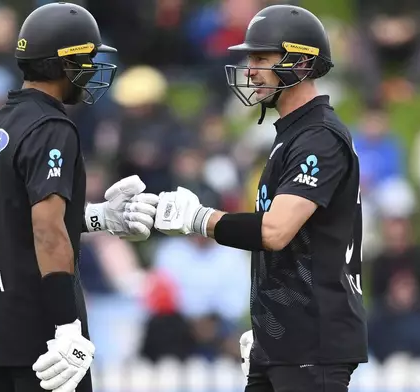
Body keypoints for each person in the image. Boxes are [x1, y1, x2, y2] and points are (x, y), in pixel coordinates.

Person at [154, 5, 367, 392]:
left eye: (262, 58)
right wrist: (269, 328)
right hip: (284, 340)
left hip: (313, 340)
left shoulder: (318, 137)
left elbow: (275, 231)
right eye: (250, 57)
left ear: (300, 64)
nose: (250, 69)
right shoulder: (292, 134)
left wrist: (199, 219)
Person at [0, 3, 159, 392]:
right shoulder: (52, 126)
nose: (90, 70)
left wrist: (98, 217)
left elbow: (14, 216)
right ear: (60, 64)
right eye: (85, 60)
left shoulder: (1, 124)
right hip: (40, 324)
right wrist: (66, 326)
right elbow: (47, 229)